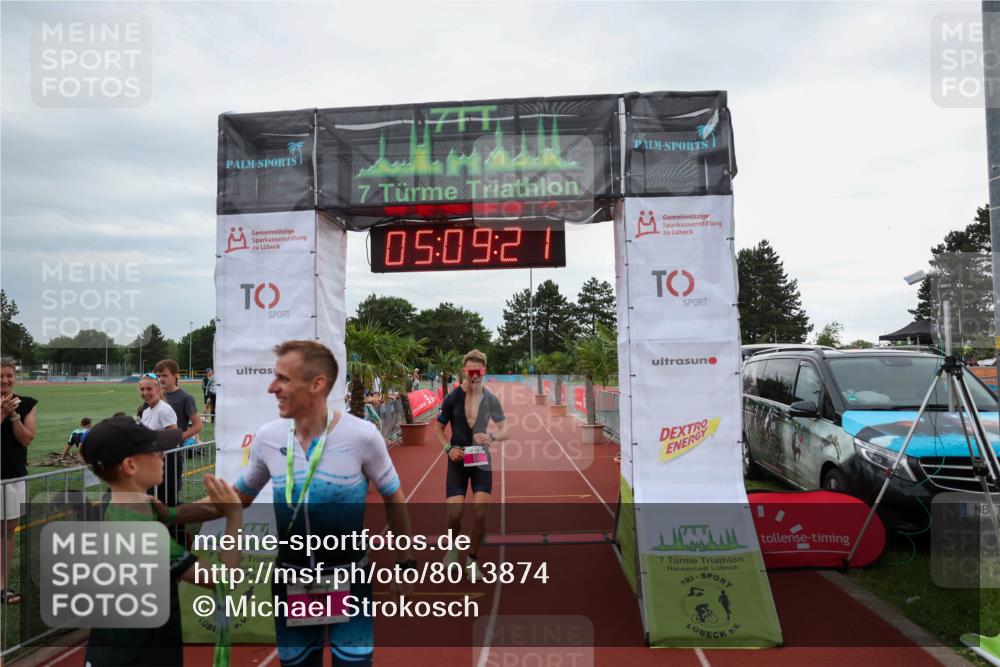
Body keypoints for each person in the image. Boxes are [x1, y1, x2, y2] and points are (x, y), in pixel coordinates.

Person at [170, 340, 416, 667]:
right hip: (292, 581)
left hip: (350, 579)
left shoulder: (361, 436)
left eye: (283, 379)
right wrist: (167, 514)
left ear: (317, 384)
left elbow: (393, 498)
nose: (272, 388)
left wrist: (406, 563)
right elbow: (236, 499)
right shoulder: (270, 437)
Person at [79, 416, 242, 667]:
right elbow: (223, 579)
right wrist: (234, 516)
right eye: (155, 450)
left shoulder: (113, 507)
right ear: (130, 465)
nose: (163, 455)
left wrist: (170, 515)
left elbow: (164, 514)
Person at [433, 349, 509, 582]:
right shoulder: (452, 398)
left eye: (478, 371)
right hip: (457, 460)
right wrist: (448, 448)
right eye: (470, 371)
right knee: (455, 514)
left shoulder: (490, 398)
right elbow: (438, 429)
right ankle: (453, 548)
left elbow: (506, 429)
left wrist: (493, 437)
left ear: (483, 371)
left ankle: (472, 559)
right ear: (464, 371)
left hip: (481, 462)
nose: (474, 375)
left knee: (480, 512)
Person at [0, 360, 37, 605]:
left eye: (9, 375)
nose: (4, 381)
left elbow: (26, 440)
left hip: (12, 475)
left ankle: (2, 586)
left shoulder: (27, 404)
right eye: (0, 376)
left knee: (7, 532)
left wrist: (13, 415)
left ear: (15, 376)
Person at [155, 359, 203, 446]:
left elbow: (198, 425)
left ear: (175, 376)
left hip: (174, 450)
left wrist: (179, 437)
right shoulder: (155, 395)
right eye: (158, 376)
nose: (160, 379)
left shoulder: (185, 398)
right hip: (156, 447)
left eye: (164, 375)